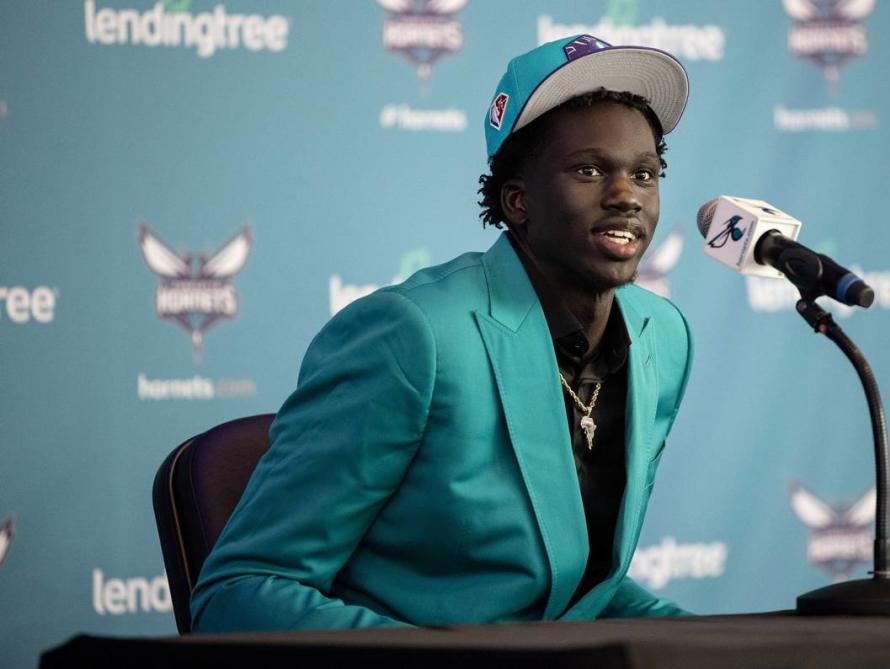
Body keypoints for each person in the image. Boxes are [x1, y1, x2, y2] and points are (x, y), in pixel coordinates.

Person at [191, 34, 694, 632]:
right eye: (588, 170)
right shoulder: (413, 335)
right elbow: (240, 592)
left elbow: (576, 587)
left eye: (645, 173)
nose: (625, 197)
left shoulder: (661, 335)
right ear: (517, 201)